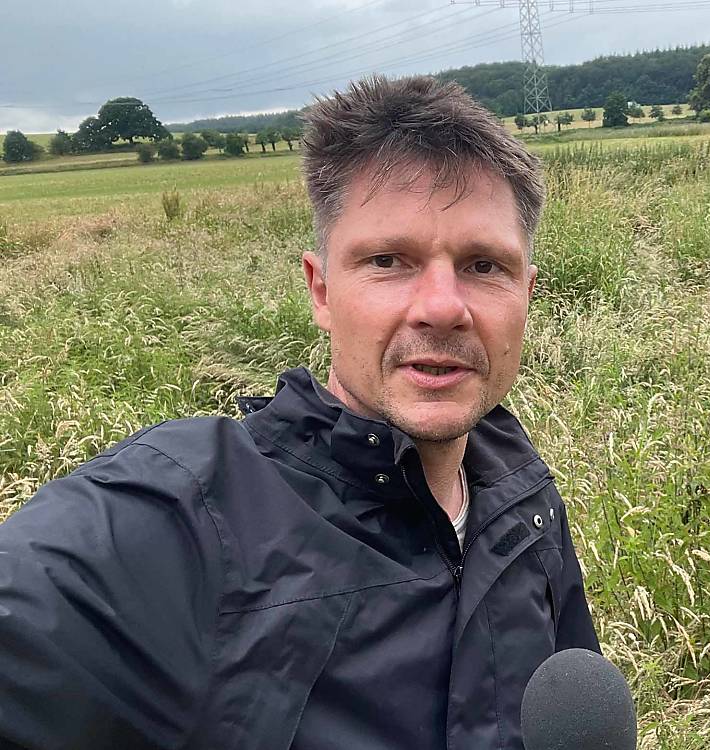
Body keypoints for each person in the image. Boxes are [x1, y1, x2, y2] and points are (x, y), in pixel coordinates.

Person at [0, 75, 599, 750]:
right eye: (388, 260)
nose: (442, 306)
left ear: (528, 292)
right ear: (321, 290)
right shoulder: (187, 516)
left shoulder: (525, 497)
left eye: (484, 265)